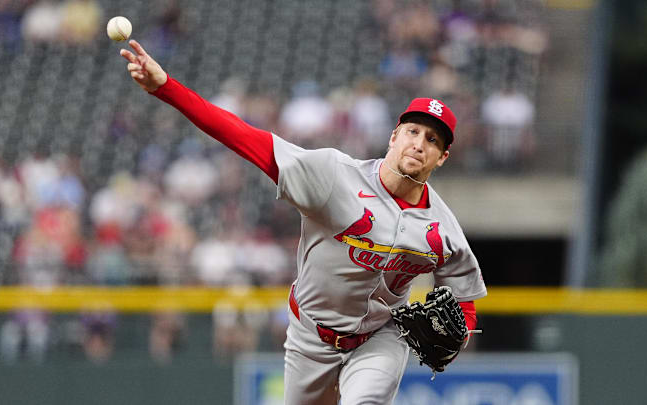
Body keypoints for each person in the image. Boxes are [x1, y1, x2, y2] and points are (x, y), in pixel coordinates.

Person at [119, 39, 486, 405]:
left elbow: (465, 297)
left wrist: (459, 338)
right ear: (394, 136)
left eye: (433, 139)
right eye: (413, 131)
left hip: (381, 337)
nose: (419, 143)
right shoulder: (333, 177)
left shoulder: (443, 230)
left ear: (442, 157)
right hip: (311, 336)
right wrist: (165, 88)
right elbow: (243, 137)